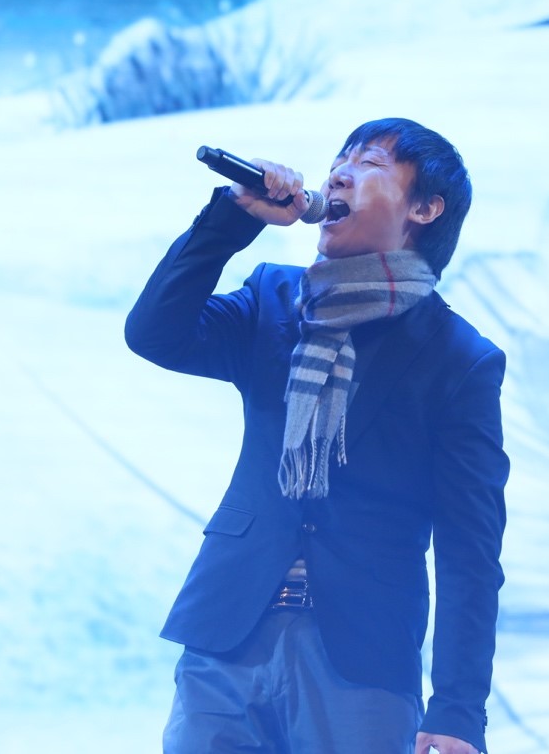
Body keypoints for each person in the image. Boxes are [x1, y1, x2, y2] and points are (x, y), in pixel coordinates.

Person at [125, 118, 509, 754]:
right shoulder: (275, 298)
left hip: (361, 658)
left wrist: (458, 707)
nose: (339, 175)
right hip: (229, 630)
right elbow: (155, 334)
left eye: (370, 163)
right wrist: (233, 218)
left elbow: (470, 547)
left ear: (424, 209)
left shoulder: (458, 357)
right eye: (338, 163)